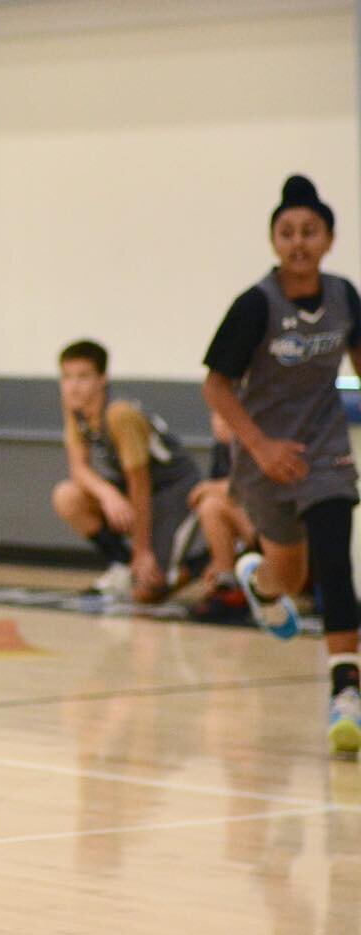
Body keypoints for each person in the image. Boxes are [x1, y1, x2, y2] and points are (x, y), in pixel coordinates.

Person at [202, 174, 361, 755]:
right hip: (265, 456)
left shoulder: (345, 296)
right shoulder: (254, 306)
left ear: (329, 238)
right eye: (287, 232)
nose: (298, 242)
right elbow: (216, 388)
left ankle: (346, 692)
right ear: (274, 241)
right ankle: (260, 582)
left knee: (335, 560)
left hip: (324, 449)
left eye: (309, 232)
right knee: (289, 577)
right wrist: (262, 448)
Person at [51, 340, 204, 602]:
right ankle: (122, 565)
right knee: (67, 495)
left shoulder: (119, 414)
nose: (73, 385)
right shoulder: (75, 408)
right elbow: (78, 468)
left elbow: (140, 484)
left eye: (83, 376)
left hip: (173, 490)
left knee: (149, 591)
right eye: (67, 377)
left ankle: (211, 562)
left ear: (103, 379)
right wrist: (107, 494)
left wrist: (142, 552)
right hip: (134, 487)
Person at [186, 412, 256, 619]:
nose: (217, 423)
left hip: (271, 531)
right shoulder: (221, 450)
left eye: (223, 416)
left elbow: (251, 489)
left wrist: (210, 487)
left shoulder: (257, 444)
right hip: (243, 537)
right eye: (214, 416)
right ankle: (226, 582)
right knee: (210, 505)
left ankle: (230, 574)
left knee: (212, 504)